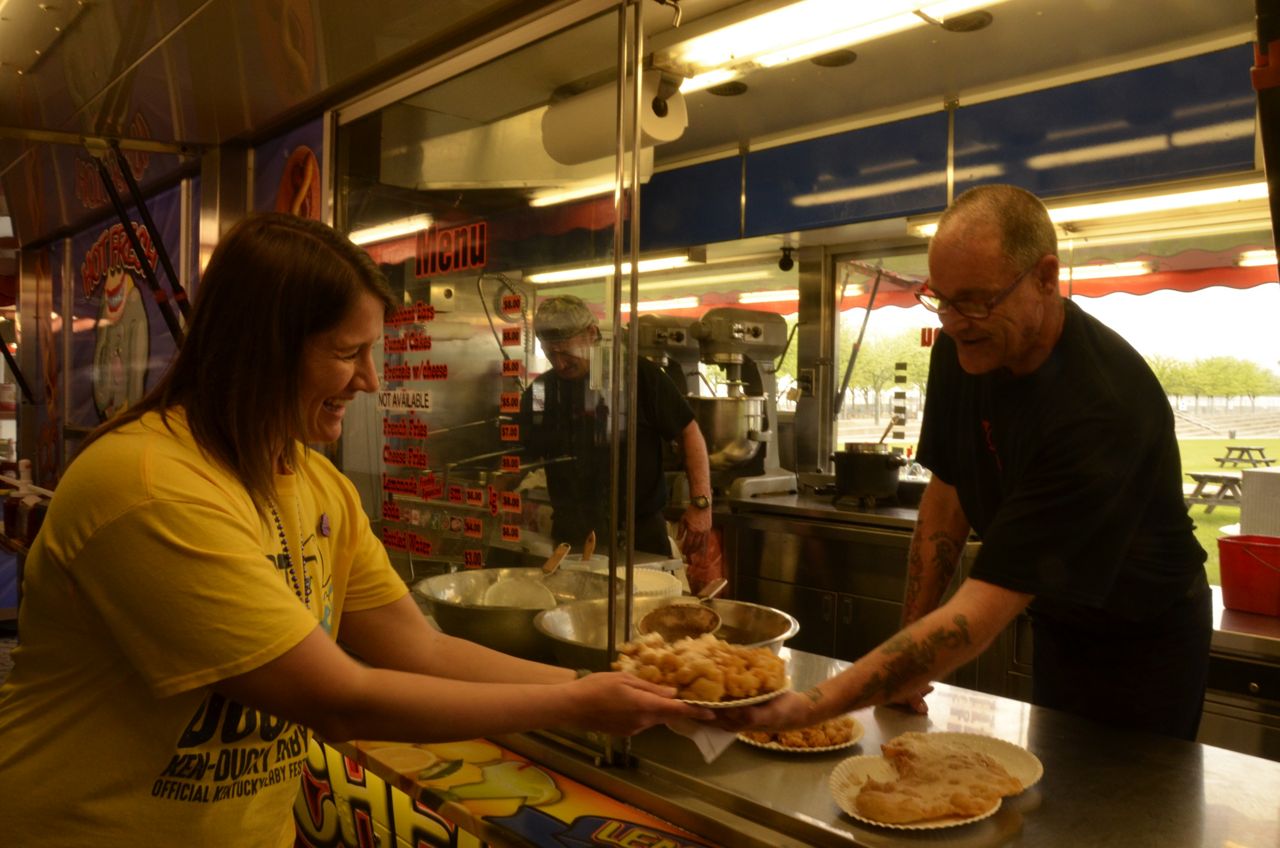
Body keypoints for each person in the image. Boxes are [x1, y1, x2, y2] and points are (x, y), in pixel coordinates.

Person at [0, 214, 711, 847]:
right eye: (347, 353)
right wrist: (578, 704)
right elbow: (337, 698)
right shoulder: (150, 486)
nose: (370, 381)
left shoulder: (316, 485)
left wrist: (614, 685)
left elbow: (420, 649)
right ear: (262, 348)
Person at [720, 184, 1211, 741]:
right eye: (943, 299)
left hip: (1146, 637)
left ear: (1045, 278)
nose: (954, 322)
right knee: (1058, 780)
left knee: (1130, 793)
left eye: (976, 300)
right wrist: (906, 655)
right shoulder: (965, 350)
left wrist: (811, 706)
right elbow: (946, 499)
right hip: (1060, 619)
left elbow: (984, 605)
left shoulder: (1102, 403)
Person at [518, 295, 713, 560]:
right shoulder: (541, 391)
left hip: (638, 533)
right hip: (572, 536)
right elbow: (521, 454)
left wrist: (701, 503)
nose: (560, 363)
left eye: (566, 353)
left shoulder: (639, 375)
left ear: (591, 334)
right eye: (551, 354)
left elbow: (688, 432)